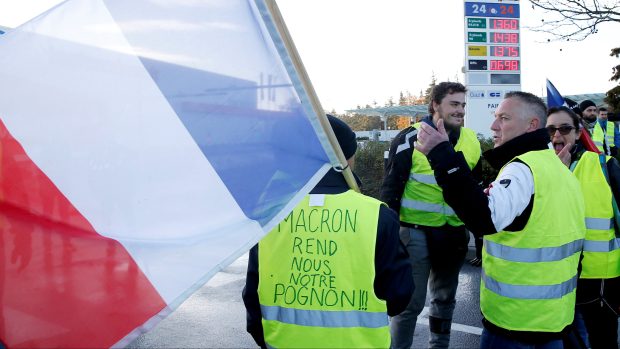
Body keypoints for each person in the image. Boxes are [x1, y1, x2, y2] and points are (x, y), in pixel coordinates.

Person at [415, 91, 586, 349]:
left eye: (503, 118)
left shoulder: (522, 169)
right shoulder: (560, 171)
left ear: (532, 125)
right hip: (554, 322)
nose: (494, 126)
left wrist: (443, 156)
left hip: (514, 325)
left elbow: (483, 218)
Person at [242, 115, 414, 348]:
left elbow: (253, 296)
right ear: (344, 158)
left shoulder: (271, 213)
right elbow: (399, 296)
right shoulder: (376, 215)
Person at [381, 81, 482, 349]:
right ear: (435, 105)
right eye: (454, 104)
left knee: (445, 298)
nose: (460, 110)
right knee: (408, 304)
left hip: (453, 233)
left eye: (463, 105)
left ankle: (439, 345)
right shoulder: (409, 138)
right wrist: (389, 237)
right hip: (415, 232)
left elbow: (475, 188)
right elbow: (391, 188)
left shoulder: (471, 139)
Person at [547, 106, 620, 349]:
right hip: (555, 274)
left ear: (578, 133)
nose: (557, 135)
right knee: (565, 340)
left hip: (599, 277)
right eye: (550, 130)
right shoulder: (538, 169)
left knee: (602, 341)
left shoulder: (605, 165)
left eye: (565, 129)